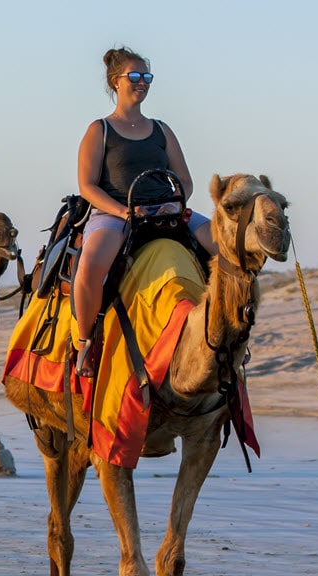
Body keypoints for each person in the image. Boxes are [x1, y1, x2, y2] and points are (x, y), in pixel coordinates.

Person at [72, 47, 216, 377]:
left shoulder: (162, 129)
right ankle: (85, 344)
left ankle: (227, 333)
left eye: (146, 77)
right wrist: (123, 212)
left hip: (165, 210)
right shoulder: (100, 130)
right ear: (115, 81)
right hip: (115, 213)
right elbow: (87, 186)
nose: (142, 83)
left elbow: (186, 179)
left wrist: (175, 202)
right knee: (91, 266)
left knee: (226, 249)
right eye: (134, 76)